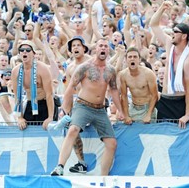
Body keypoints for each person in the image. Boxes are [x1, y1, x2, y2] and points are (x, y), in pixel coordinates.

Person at [51, 38, 124, 176]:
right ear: (95, 49)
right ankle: (60, 167)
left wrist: (120, 110)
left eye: (105, 46)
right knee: (72, 130)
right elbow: (70, 87)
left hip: (100, 109)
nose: (103, 48)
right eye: (100, 45)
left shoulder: (111, 70)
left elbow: (114, 90)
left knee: (112, 143)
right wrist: (64, 110)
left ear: (108, 50)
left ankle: (104, 178)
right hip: (83, 106)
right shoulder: (84, 67)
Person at [150, 1, 189, 128]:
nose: (172, 33)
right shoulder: (169, 44)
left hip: (180, 102)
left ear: (184, 36)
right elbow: (153, 25)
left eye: (176, 31)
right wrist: (162, 8)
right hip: (165, 100)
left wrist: (187, 114)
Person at [62, 36, 91, 174]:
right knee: (71, 129)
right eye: (73, 46)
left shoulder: (92, 62)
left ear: (84, 48)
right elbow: (69, 91)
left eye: (78, 45)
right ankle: (81, 163)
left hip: (97, 104)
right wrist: (66, 110)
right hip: (80, 105)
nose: (75, 48)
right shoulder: (70, 68)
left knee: (109, 137)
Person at [11, 40, 55, 130]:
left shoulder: (43, 69)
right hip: (29, 104)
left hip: (44, 104)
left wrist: (50, 117)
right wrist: (19, 117)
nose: (24, 52)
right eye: (22, 50)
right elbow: (17, 96)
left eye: (28, 50)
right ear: (19, 54)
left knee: (44, 134)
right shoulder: (16, 71)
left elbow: (49, 94)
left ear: (33, 53)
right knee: (27, 133)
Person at [119, 47, 158, 124]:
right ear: (126, 60)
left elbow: (155, 95)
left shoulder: (148, 73)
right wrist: (126, 115)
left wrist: (149, 114)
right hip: (133, 107)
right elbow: (123, 96)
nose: (132, 59)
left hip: (147, 107)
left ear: (139, 59)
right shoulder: (123, 75)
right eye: (130, 57)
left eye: (135, 57)